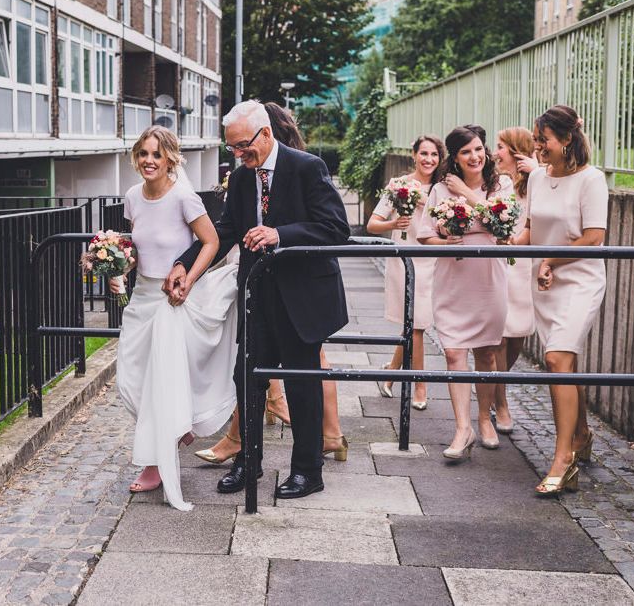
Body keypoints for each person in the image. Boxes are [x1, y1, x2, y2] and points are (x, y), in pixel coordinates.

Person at [166, 100, 350, 499]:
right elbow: (226, 230)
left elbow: (336, 228)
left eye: (243, 146)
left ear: (265, 134)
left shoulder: (307, 167)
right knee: (246, 380)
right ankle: (248, 463)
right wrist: (184, 263)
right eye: (231, 148)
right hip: (258, 297)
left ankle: (307, 471)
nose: (238, 154)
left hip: (303, 298)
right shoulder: (243, 176)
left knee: (302, 384)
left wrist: (280, 234)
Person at [115, 125, 238, 511]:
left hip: (171, 301)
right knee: (129, 381)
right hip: (140, 300)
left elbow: (212, 241)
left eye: (156, 154)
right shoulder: (133, 197)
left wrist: (189, 276)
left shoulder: (184, 197)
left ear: (170, 158)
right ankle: (174, 429)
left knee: (157, 384)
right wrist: (118, 267)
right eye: (143, 154)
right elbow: (137, 247)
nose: (149, 161)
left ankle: (154, 464)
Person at [514, 105, 607, 496]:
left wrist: (549, 260)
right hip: (545, 281)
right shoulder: (537, 177)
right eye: (537, 140)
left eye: (544, 141)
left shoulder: (592, 180)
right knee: (564, 361)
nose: (537, 148)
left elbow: (593, 238)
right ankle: (582, 434)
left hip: (580, 279)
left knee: (555, 358)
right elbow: (532, 229)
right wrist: (501, 242)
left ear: (567, 139)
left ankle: (563, 457)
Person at [417, 127, 512, 461]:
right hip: (453, 279)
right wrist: (447, 242)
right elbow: (424, 236)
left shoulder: (501, 185)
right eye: (466, 152)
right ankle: (462, 428)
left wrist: (468, 195)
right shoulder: (440, 189)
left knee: (487, 353)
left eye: (479, 150)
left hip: (489, 279)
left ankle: (484, 419)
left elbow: (504, 224)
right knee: (454, 354)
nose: (475, 157)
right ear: (454, 158)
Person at [366, 134, 443, 408]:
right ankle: (420, 386)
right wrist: (394, 223)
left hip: (434, 262)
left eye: (434, 155)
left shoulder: (443, 188)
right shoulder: (398, 185)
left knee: (414, 325)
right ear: (413, 154)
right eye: (424, 154)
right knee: (417, 326)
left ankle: (391, 372)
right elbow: (372, 224)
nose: (429, 160)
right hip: (405, 261)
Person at [491, 127, 538, 432]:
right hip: (499, 262)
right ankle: (501, 401)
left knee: (518, 331)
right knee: (501, 334)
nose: (495, 153)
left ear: (517, 151)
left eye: (500, 147)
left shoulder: (537, 182)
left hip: (525, 264)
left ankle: (495, 384)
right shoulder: (497, 183)